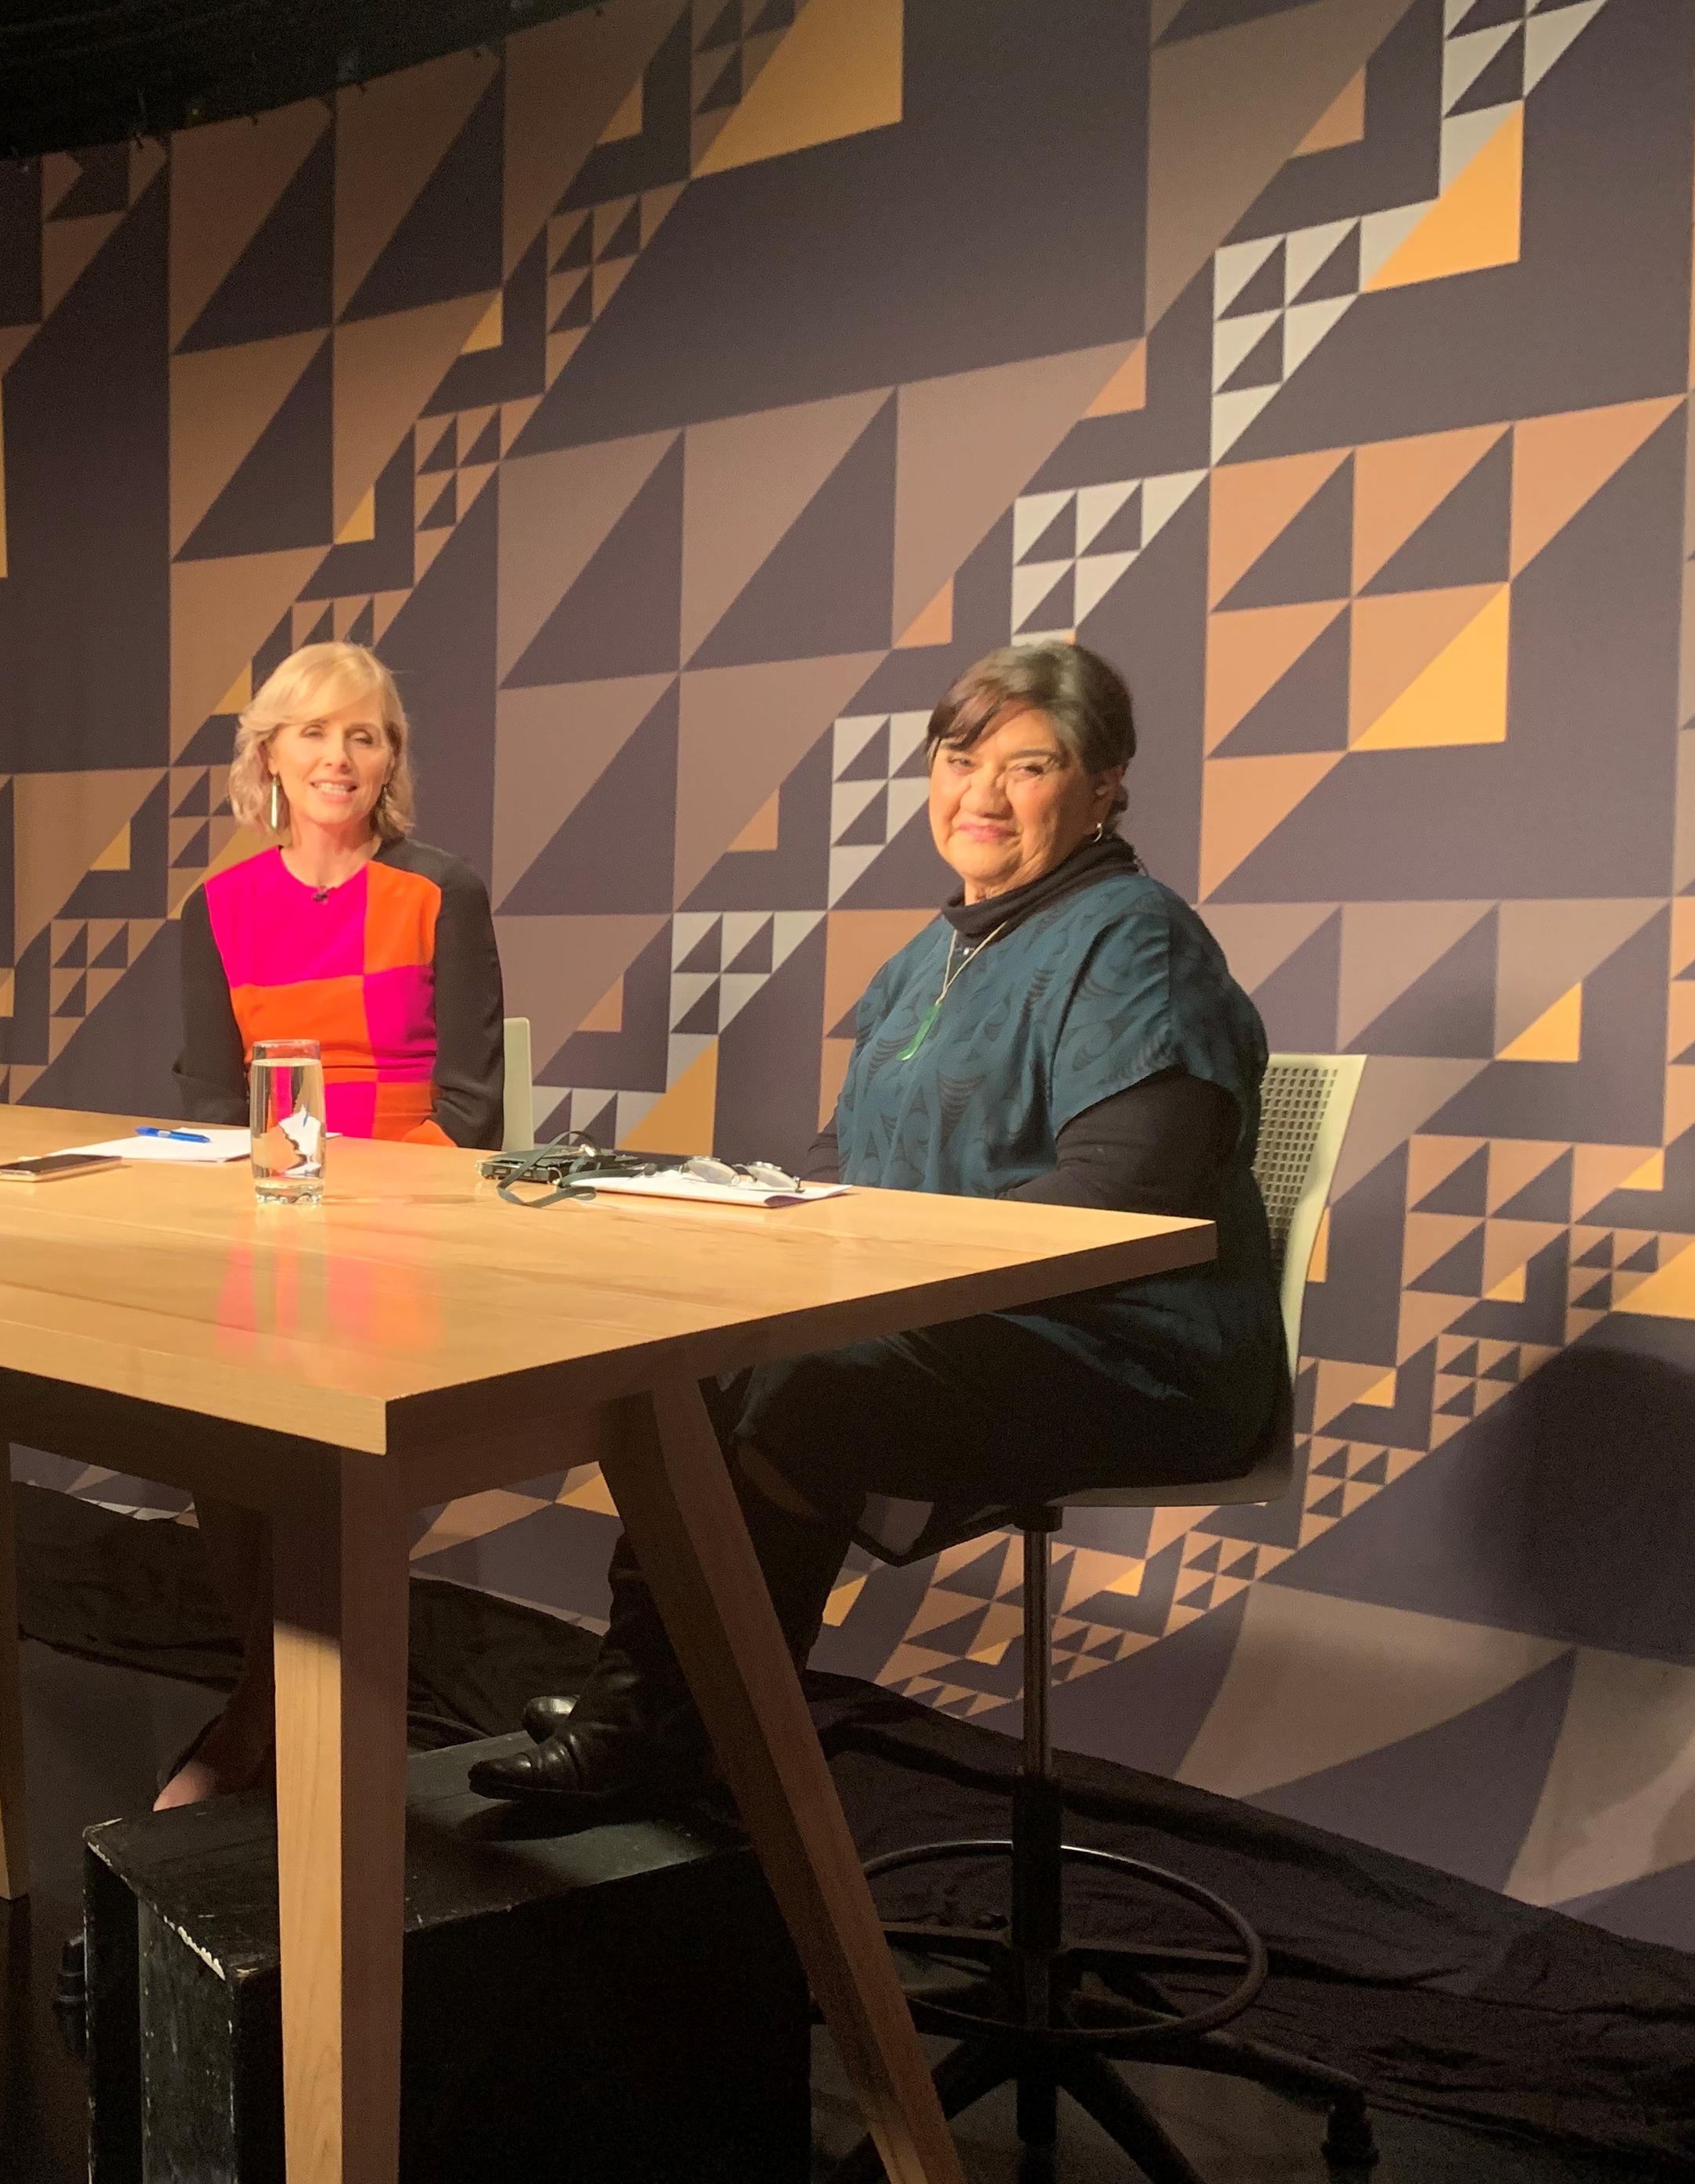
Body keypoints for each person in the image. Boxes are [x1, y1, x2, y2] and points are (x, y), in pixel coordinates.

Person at [473, 640, 1286, 1811]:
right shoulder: (930, 955)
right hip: (965, 1325)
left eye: (1030, 766)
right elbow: (838, 1164)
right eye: (959, 760)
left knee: (809, 1378)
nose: (982, 796)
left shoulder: (1135, 938)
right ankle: (660, 1689)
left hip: (1129, 1356)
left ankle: (667, 1723)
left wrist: (873, 1275)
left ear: (1105, 786)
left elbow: (1124, 1201)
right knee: (695, 1362)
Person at [158, 638, 505, 1808]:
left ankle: (263, 1724)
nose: (339, 756)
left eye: (365, 734)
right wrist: (273, 1207)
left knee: (322, 1482)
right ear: (270, 755)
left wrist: (346, 1203)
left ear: (390, 758)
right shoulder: (220, 905)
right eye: (314, 731)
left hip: (399, 1233)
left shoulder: (439, 890)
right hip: (263, 1227)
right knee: (221, 1447)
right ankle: (277, 1703)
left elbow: (471, 1109)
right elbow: (210, 1102)